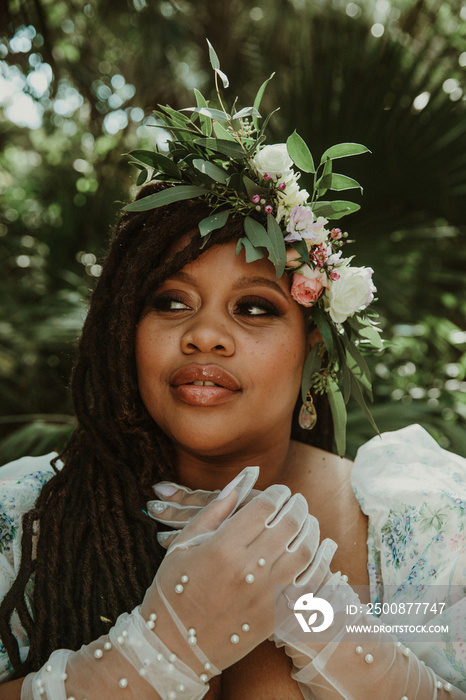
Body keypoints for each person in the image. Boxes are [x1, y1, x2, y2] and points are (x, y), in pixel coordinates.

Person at [0, 45, 465, 699]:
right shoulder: (23, 520)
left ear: (315, 354)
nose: (206, 335)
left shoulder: (430, 526)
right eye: (169, 301)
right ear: (121, 333)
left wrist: (328, 625)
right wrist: (151, 652)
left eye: (253, 307)